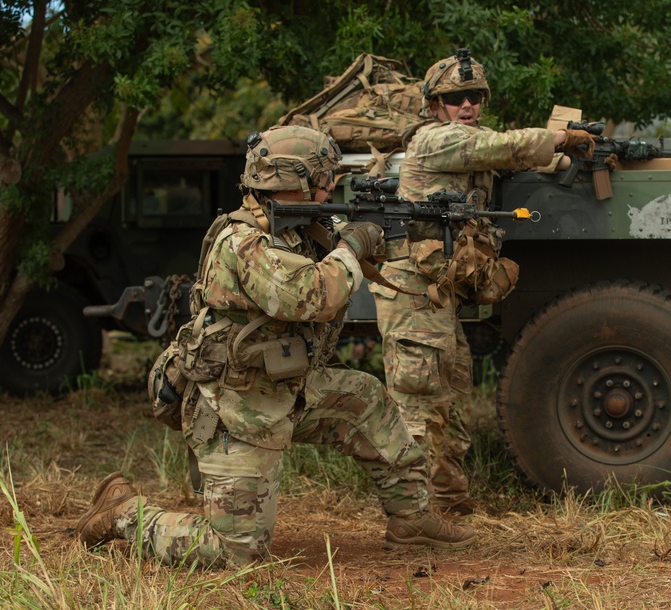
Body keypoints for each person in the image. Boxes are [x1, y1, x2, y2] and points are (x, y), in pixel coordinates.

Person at [76, 125, 475, 568]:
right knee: (235, 555)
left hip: (287, 388)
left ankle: (412, 519)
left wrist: (406, 226)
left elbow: (361, 244)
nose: (330, 188)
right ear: (296, 181)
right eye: (324, 178)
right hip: (236, 406)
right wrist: (352, 244)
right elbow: (316, 294)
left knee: (366, 399)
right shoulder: (243, 242)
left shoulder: (299, 226)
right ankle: (122, 515)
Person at [370, 49, 595, 515]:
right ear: (435, 107)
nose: (467, 105)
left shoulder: (472, 145)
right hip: (413, 292)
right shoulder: (434, 140)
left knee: (450, 400)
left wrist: (563, 150)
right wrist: (561, 136)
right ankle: (411, 518)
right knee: (418, 409)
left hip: (437, 295)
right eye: (455, 99)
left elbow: (510, 155)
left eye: (474, 97)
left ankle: (447, 504)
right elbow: (504, 147)